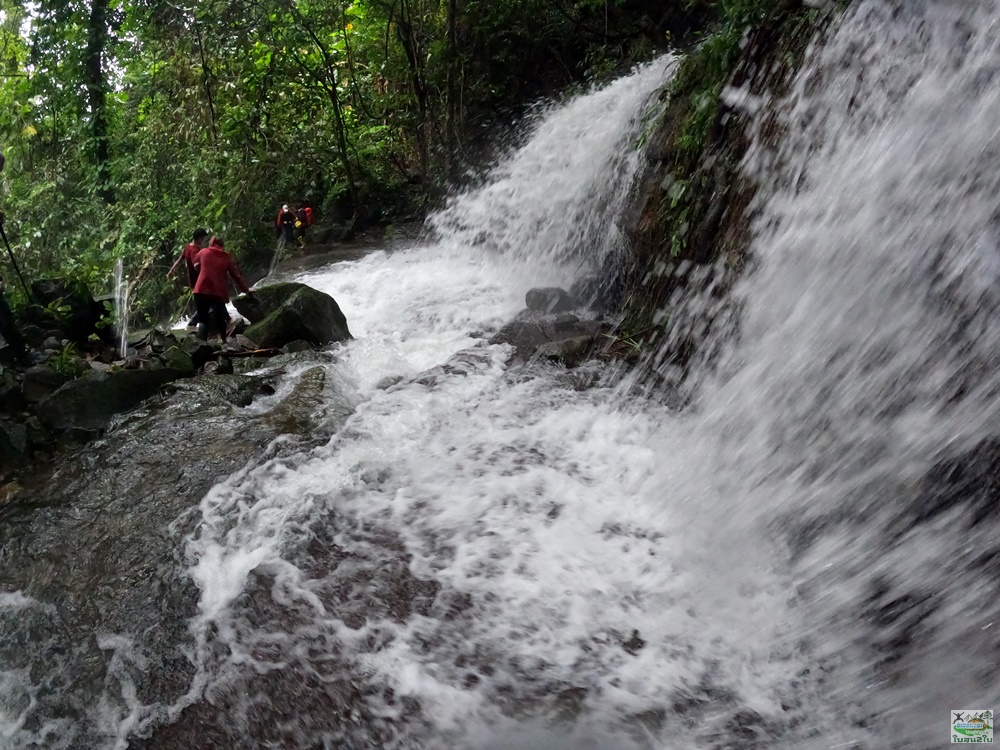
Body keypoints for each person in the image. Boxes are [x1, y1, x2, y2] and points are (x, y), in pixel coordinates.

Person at [191, 236, 252, 343]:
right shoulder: (226, 257)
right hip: (217, 291)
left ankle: (202, 345)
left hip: (200, 290)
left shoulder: (203, 251)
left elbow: (196, 265)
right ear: (222, 245)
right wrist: (246, 290)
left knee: (203, 321)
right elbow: (236, 276)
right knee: (221, 319)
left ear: (211, 244)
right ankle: (224, 342)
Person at [168, 228, 210, 327]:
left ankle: (193, 324)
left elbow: (180, 259)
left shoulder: (188, 247)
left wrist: (172, 269)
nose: (204, 241)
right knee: (207, 303)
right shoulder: (194, 250)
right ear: (199, 238)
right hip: (199, 282)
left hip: (194, 282)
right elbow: (196, 265)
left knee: (204, 304)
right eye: (203, 239)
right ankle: (193, 324)